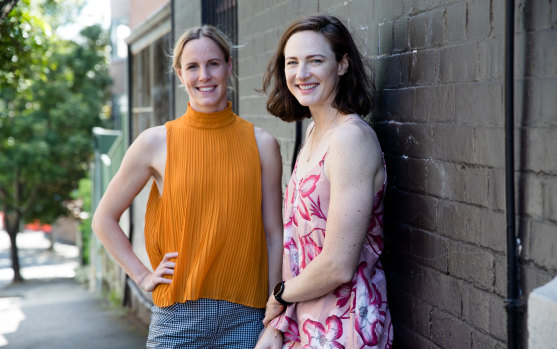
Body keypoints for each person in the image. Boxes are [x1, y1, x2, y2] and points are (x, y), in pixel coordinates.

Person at [92, 25, 284, 348]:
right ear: (180, 74)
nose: (204, 76)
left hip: (248, 317)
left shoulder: (263, 144)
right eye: (192, 67)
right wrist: (142, 275)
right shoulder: (155, 143)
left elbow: (275, 234)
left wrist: (275, 314)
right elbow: (104, 219)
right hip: (178, 320)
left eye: (213, 64)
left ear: (229, 67)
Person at [255, 15, 394, 348]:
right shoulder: (316, 133)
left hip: (345, 328)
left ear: (342, 65)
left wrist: (279, 296)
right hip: (305, 322)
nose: (301, 74)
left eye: (315, 61)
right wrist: (277, 325)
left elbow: (337, 265)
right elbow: (297, 246)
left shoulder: (351, 140)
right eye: (292, 62)